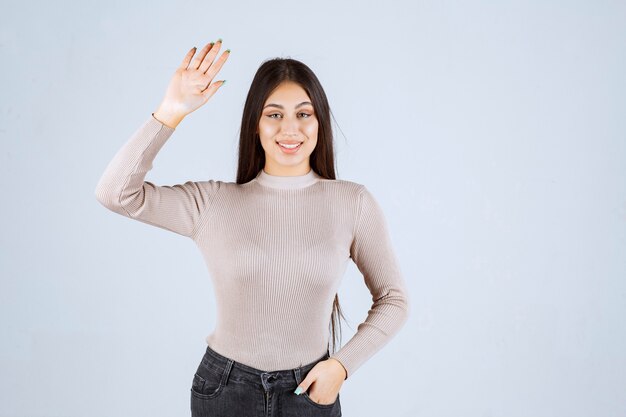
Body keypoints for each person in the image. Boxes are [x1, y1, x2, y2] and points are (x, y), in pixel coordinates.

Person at [94, 38, 410, 417]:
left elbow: (394, 299)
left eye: (303, 114)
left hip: (310, 390)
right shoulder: (211, 203)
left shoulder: (353, 202)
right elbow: (116, 193)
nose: (289, 128)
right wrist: (170, 112)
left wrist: (341, 367)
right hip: (225, 390)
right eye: (274, 114)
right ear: (255, 125)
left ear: (319, 121)